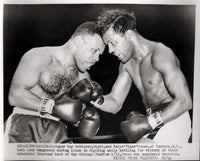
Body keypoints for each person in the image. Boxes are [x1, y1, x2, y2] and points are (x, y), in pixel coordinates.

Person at [93, 8, 192, 143]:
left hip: (174, 117)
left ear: (128, 34)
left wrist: (150, 122)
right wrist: (94, 98)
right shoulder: (126, 64)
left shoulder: (161, 55)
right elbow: (115, 102)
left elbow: (185, 101)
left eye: (113, 42)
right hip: (152, 121)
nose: (110, 50)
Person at [4, 21, 105, 143]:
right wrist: (52, 107)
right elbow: (15, 96)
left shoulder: (83, 78)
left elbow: (73, 116)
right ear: (78, 42)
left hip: (57, 130)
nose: (97, 59)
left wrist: (87, 119)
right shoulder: (40, 56)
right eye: (94, 50)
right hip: (25, 124)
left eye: (100, 54)